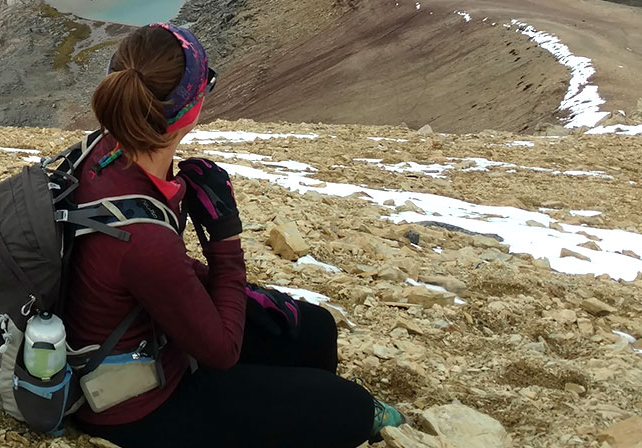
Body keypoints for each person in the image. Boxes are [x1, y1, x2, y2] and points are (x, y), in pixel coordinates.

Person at [63, 22, 406, 448]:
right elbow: (221, 352)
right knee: (350, 408)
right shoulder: (141, 237)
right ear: (191, 106)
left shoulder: (102, 151)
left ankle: (291, 403)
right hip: (132, 403)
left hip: (138, 331)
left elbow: (140, 268)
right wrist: (225, 241)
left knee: (314, 328)